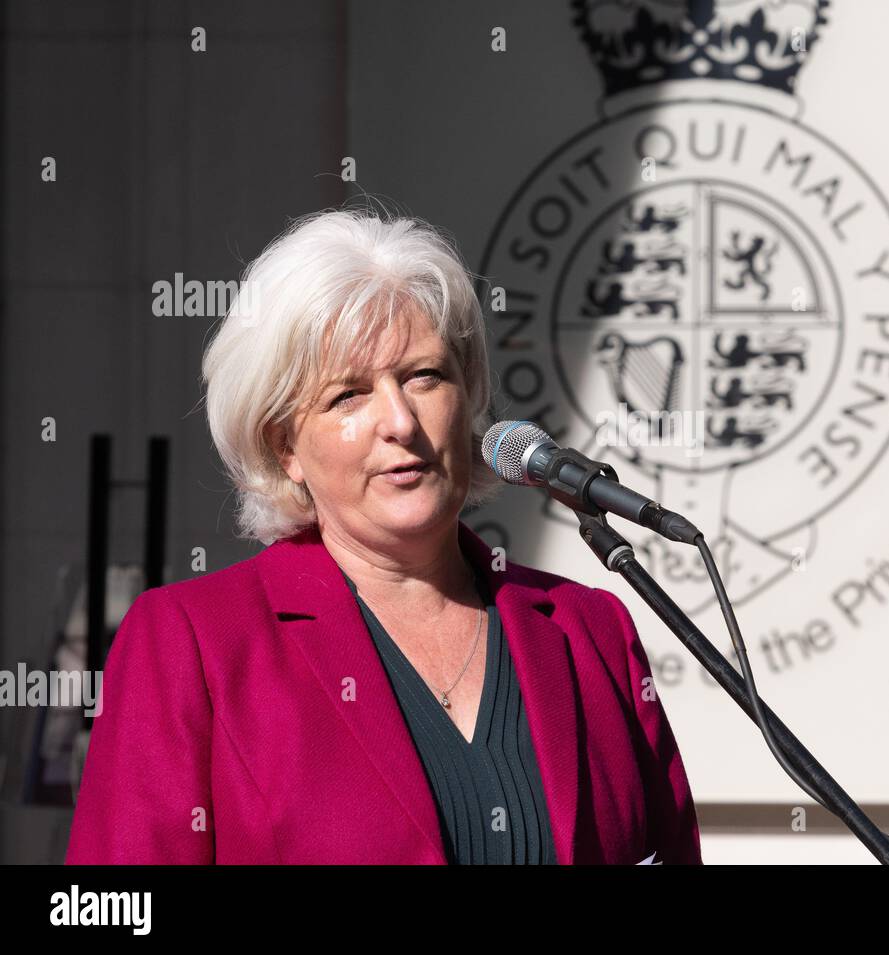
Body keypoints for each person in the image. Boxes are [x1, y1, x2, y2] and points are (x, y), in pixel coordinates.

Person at [65, 207, 703, 864]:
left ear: (468, 397)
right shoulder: (190, 644)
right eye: (348, 395)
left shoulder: (589, 630)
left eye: (425, 376)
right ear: (284, 445)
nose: (401, 420)